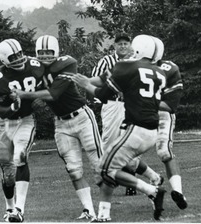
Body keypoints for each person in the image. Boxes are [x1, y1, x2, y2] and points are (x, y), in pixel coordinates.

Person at [67, 34, 167, 222]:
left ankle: (152, 190)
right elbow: (109, 77)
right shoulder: (158, 71)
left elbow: (102, 94)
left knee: (104, 171)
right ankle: (104, 214)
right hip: (151, 130)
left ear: (136, 47)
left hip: (135, 129)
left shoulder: (126, 66)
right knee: (111, 165)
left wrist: (85, 84)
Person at [12, 35, 103, 220]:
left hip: (82, 117)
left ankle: (143, 190)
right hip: (61, 123)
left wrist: (24, 94)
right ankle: (89, 210)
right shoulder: (33, 68)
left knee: (100, 167)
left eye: (49, 52)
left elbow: (53, 94)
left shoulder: (67, 64)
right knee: (74, 169)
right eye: (41, 53)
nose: (45, 56)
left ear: (57, 52)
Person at [0, 39, 45, 222]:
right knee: (7, 172)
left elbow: (48, 88)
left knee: (20, 157)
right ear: (4, 60)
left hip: (26, 120)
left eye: (20, 54)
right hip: (3, 123)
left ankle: (19, 209)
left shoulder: (36, 67)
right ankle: (10, 208)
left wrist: (41, 99)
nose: (19, 59)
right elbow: (1, 111)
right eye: (14, 57)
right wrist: (13, 107)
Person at [91, 33, 138, 195]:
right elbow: (96, 79)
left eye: (126, 43)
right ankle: (110, 178)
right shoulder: (106, 61)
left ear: (130, 45)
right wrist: (98, 98)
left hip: (131, 104)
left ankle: (131, 182)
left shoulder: (136, 60)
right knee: (109, 142)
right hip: (112, 103)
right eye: (120, 44)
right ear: (114, 45)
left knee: (128, 143)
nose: (123, 46)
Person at [151, 37, 188, 209]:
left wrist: (144, 102)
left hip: (161, 113)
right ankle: (153, 182)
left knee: (164, 152)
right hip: (137, 115)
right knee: (128, 155)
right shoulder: (133, 68)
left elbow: (170, 106)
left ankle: (178, 192)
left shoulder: (169, 68)